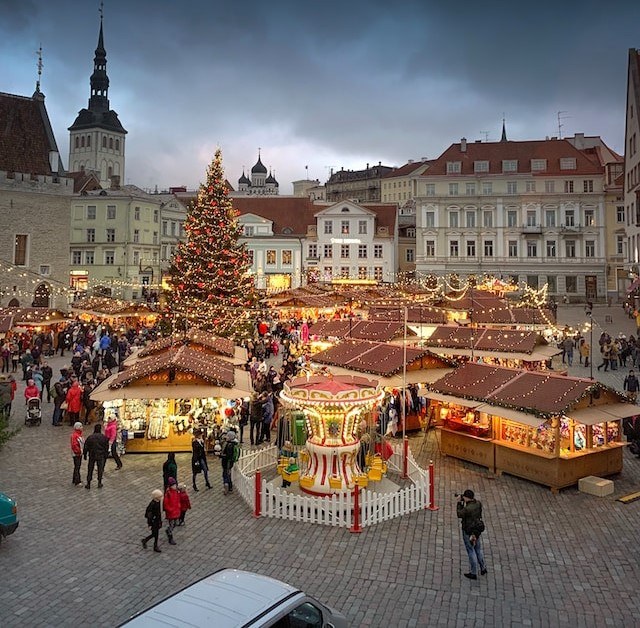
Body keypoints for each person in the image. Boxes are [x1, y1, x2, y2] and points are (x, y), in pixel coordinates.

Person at [456, 489, 487, 580]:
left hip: (468, 531)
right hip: (476, 531)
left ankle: (473, 573)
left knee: (471, 550)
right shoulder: (478, 503)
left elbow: (459, 514)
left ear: (466, 497)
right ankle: (483, 568)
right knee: (478, 548)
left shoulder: (467, 509)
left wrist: (459, 503)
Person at [83, 423, 109, 489]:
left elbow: (86, 446)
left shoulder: (90, 437)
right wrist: (106, 455)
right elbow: (106, 447)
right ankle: (99, 482)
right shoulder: (103, 437)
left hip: (92, 455)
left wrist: (85, 455)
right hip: (100, 455)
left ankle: (88, 483)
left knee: (90, 469)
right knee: (100, 469)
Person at [163, 477, 180, 545]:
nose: (175, 486)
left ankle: (169, 531)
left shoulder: (176, 492)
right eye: (173, 485)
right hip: (171, 512)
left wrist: (179, 506)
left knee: (175, 524)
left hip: (176, 511)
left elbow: (178, 500)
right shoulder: (168, 493)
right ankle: (170, 537)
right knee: (171, 524)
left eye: (175, 485)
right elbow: (166, 504)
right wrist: (170, 509)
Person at [70, 422, 84, 486]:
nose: (82, 427)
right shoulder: (75, 435)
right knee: (77, 467)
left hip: (79, 453)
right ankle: (77, 481)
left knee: (77, 466)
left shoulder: (79, 434)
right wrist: (78, 451)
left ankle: (74, 479)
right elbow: (74, 445)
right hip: (77, 454)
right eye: (81, 426)